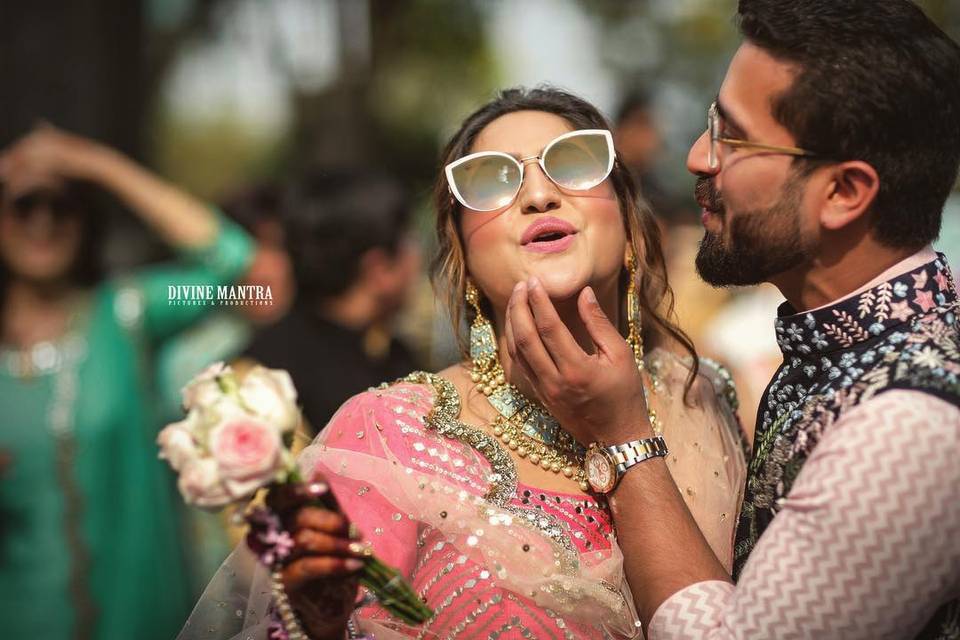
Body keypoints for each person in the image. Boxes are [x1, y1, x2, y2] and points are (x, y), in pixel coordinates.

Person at [180, 88, 747, 640]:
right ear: (463, 254)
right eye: (491, 180)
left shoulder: (705, 399)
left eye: (574, 163)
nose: (539, 196)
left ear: (626, 219)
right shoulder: (387, 434)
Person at [499, 2, 960, 639]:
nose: (697, 157)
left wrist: (624, 436)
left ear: (844, 193)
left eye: (732, 138)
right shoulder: (834, 347)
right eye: (711, 122)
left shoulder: (907, 427)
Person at [0, 126, 254, 640]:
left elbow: (232, 263)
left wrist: (93, 161)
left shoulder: (127, 314)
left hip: (145, 619)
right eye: (24, 206)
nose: (43, 222)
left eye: (62, 204)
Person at [243, 168, 423, 434]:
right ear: (379, 269)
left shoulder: (392, 353)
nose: (417, 258)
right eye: (409, 241)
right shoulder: (261, 383)